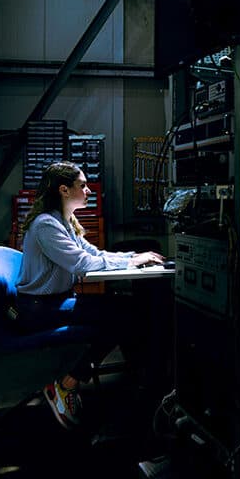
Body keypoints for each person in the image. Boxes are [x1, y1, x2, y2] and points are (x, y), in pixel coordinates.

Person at [16, 161, 164, 430]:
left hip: (56, 301)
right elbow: (82, 264)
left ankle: (137, 379)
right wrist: (131, 263)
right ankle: (68, 383)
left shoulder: (64, 222)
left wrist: (133, 257)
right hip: (40, 309)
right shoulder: (46, 226)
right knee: (125, 315)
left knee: (127, 311)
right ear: (63, 189)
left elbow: (95, 255)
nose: (88, 191)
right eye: (82, 185)